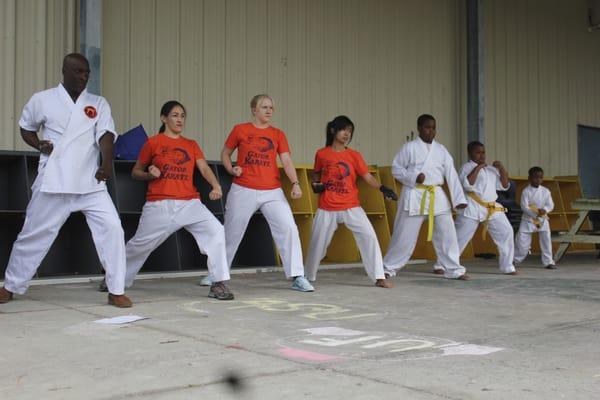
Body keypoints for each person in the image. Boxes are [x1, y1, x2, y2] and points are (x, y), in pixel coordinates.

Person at [0, 53, 131, 307]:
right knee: (33, 234)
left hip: (91, 182)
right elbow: (26, 127)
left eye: (87, 72)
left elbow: (106, 135)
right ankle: (12, 285)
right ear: (64, 71)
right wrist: (38, 143)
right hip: (54, 180)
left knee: (113, 229)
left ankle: (116, 289)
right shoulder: (43, 99)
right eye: (78, 71)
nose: (83, 77)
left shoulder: (98, 103)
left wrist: (106, 164)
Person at [99, 101, 234, 300]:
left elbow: (204, 168)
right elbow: (136, 172)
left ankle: (218, 283)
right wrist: (149, 174)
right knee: (140, 245)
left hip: (190, 203)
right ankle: (114, 277)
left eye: (182, 116)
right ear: (164, 118)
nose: (179, 119)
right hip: (160, 204)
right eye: (174, 115)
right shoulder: (153, 143)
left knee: (216, 230)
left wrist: (216, 186)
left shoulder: (191, 144)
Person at [201, 94, 314, 291]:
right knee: (231, 231)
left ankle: (297, 275)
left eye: (271, 107)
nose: (269, 110)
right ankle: (216, 273)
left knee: (288, 228)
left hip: (272, 190)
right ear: (254, 110)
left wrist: (295, 182)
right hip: (243, 187)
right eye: (264, 107)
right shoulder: (240, 129)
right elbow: (225, 153)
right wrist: (231, 169)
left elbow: (286, 160)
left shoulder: (278, 134)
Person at [305, 116, 397, 288]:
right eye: (343, 129)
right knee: (318, 243)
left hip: (351, 205)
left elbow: (367, 176)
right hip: (327, 206)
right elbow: (316, 173)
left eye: (350, 131)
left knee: (369, 237)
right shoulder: (322, 153)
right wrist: (315, 183)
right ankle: (307, 277)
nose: (347, 134)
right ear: (333, 130)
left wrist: (383, 188)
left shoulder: (354, 155)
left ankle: (379, 277)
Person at [383, 114, 470, 280]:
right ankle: (388, 267)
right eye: (427, 127)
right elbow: (396, 169)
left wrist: (459, 199)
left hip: (436, 194)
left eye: (433, 128)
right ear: (419, 128)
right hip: (415, 194)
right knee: (404, 235)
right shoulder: (409, 147)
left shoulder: (441, 150)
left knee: (447, 234)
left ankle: (453, 269)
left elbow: (451, 174)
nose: (431, 131)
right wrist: (414, 177)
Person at [432, 141, 517, 275]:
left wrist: (501, 169)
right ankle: (441, 265)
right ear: (470, 153)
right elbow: (467, 184)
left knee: (506, 232)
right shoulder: (466, 167)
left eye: (483, 152)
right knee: (460, 238)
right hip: (471, 207)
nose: (481, 155)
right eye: (478, 152)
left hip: (491, 208)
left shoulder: (490, 169)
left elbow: (504, 185)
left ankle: (508, 266)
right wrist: (478, 168)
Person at [514, 166, 556, 269]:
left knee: (546, 241)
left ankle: (548, 262)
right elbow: (524, 206)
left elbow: (550, 204)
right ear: (529, 178)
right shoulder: (526, 191)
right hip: (528, 220)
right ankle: (514, 259)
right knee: (522, 243)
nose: (538, 180)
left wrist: (545, 210)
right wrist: (535, 214)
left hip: (542, 219)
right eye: (535, 177)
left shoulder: (546, 191)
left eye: (540, 177)